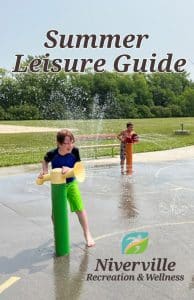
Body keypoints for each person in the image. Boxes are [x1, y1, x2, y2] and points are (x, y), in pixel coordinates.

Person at [39, 129, 95, 247]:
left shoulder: (75, 151)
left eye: (72, 142)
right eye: (67, 143)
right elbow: (44, 161)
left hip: (71, 184)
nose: (70, 145)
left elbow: (78, 166)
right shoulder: (52, 153)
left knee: (79, 209)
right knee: (55, 214)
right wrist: (44, 171)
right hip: (58, 187)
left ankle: (87, 233)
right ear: (59, 144)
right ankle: (58, 233)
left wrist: (70, 170)